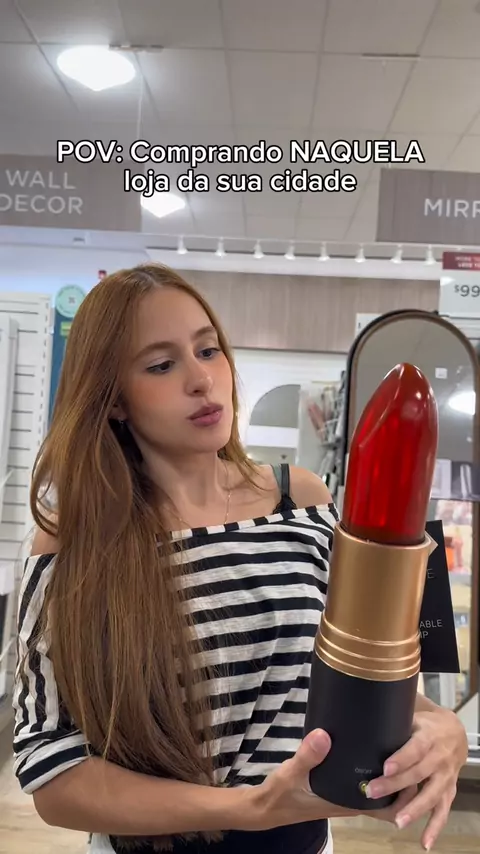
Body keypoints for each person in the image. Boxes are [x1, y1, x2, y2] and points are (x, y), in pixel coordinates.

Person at [12, 263, 467, 854]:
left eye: (208, 351)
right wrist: (249, 809)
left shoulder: (301, 501)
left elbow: (341, 678)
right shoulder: (77, 538)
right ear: (114, 398)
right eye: (161, 365)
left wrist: (438, 724)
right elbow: (51, 763)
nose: (202, 379)